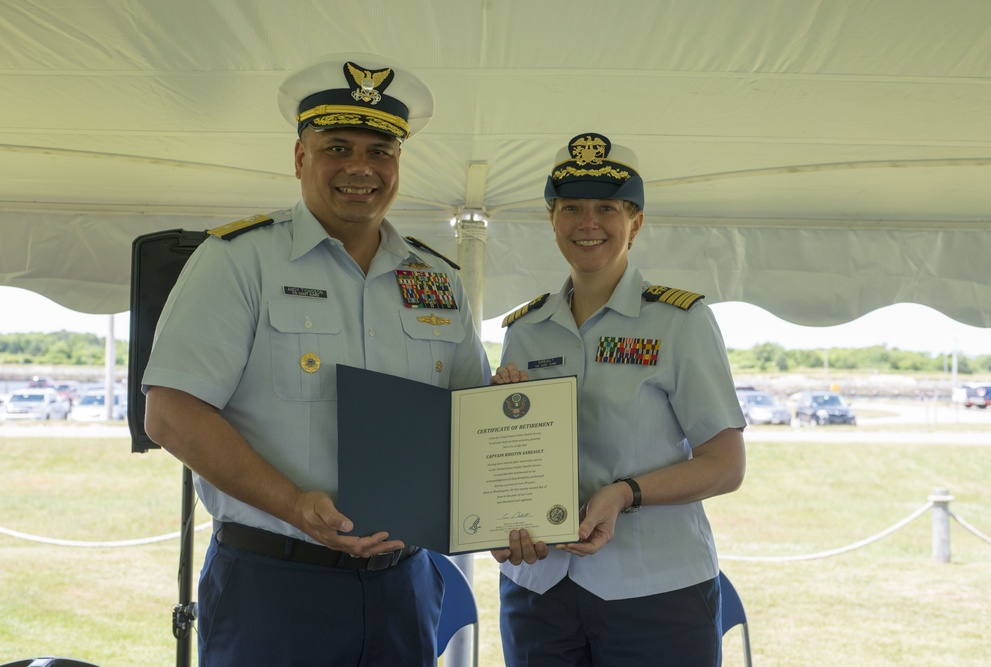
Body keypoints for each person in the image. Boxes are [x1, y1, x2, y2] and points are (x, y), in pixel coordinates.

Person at [142, 53, 490, 666]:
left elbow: (471, 418)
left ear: (399, 162)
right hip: (273, 584)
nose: (361, 167)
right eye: (338, 147)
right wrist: (294, 506)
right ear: (301, 156)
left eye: (380, 151)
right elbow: (171, 413)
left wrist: (513, 430)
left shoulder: (438, 280)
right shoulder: (237, 261)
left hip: (403, 584)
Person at [491, 132, 747, 666]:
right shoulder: (526, 329)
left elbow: (725, 466)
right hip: (538, 587)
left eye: (606, 207)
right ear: (552, 218)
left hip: (655, 589)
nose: (588, 222)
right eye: (571, 207)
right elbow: (512, 456)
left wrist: (625, 492)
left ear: (636, 221)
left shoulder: (680, 322)